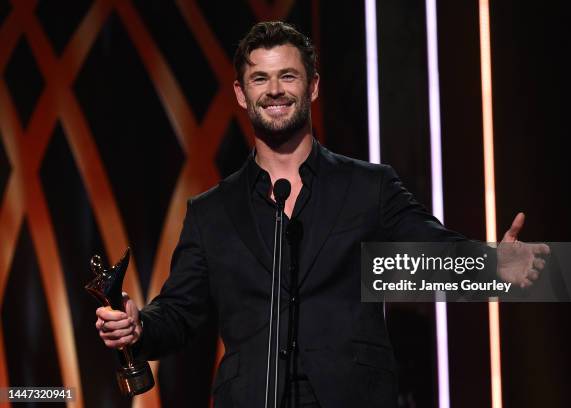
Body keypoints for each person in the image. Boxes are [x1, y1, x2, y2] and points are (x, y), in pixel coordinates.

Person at [95, 21, 547, 407]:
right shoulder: (210, 212)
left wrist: (491, 264)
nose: (274, 90)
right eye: (260, 79)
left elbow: (432, 250)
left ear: (311, 86)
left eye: (288, 76)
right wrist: (139, 327)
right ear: (240, 92)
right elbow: (178, 313)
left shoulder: (368, 187)